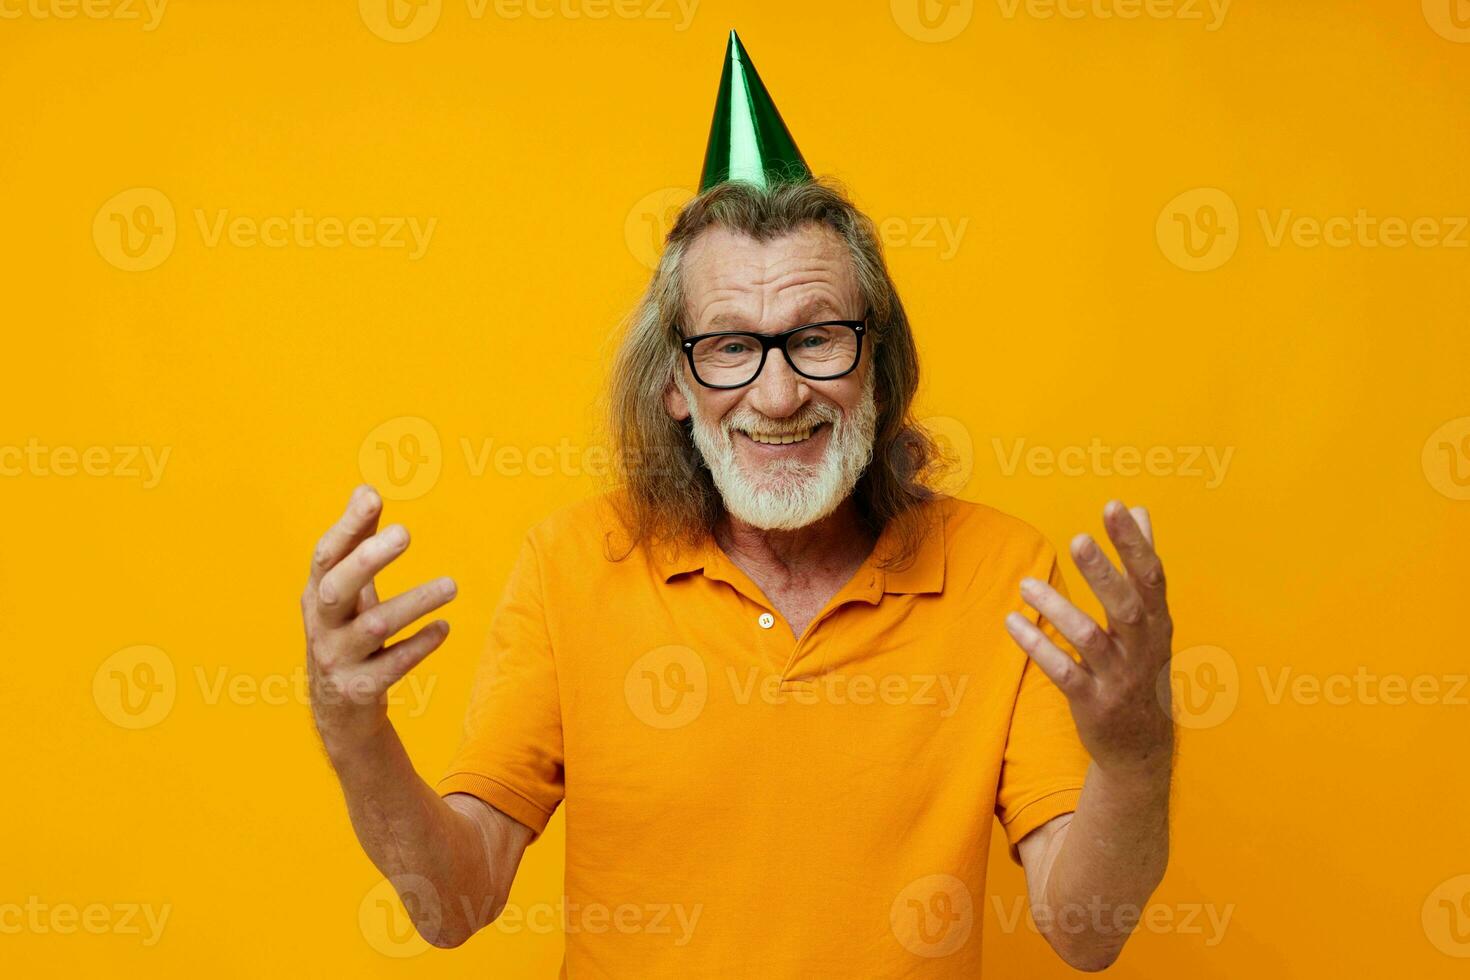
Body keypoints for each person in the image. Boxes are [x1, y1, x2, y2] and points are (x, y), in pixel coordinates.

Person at [301, 31, 1174, 976]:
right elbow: (455, 903)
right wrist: (355, 735)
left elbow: (1085, 933)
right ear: (673, 381)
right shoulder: (570, 564)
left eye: (817, 337)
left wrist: (1135, 760)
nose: (777, 394)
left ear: (878, 360)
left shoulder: (1005, 572)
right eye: (729, 346)